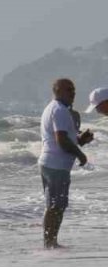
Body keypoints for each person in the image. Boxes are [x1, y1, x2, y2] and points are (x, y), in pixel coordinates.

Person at [38, 78, 92, 249]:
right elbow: (61, 139)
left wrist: (80, 141)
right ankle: (50, 242)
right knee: (55, 206)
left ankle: (51, 241)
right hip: (55, 165)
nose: (73, 93)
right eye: (69, 90)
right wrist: (80, 154)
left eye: (74, 89)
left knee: (57, 205)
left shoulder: (57, 109)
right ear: (58, 91)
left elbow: (66, 139)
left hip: (52, 163)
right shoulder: (59, 110)